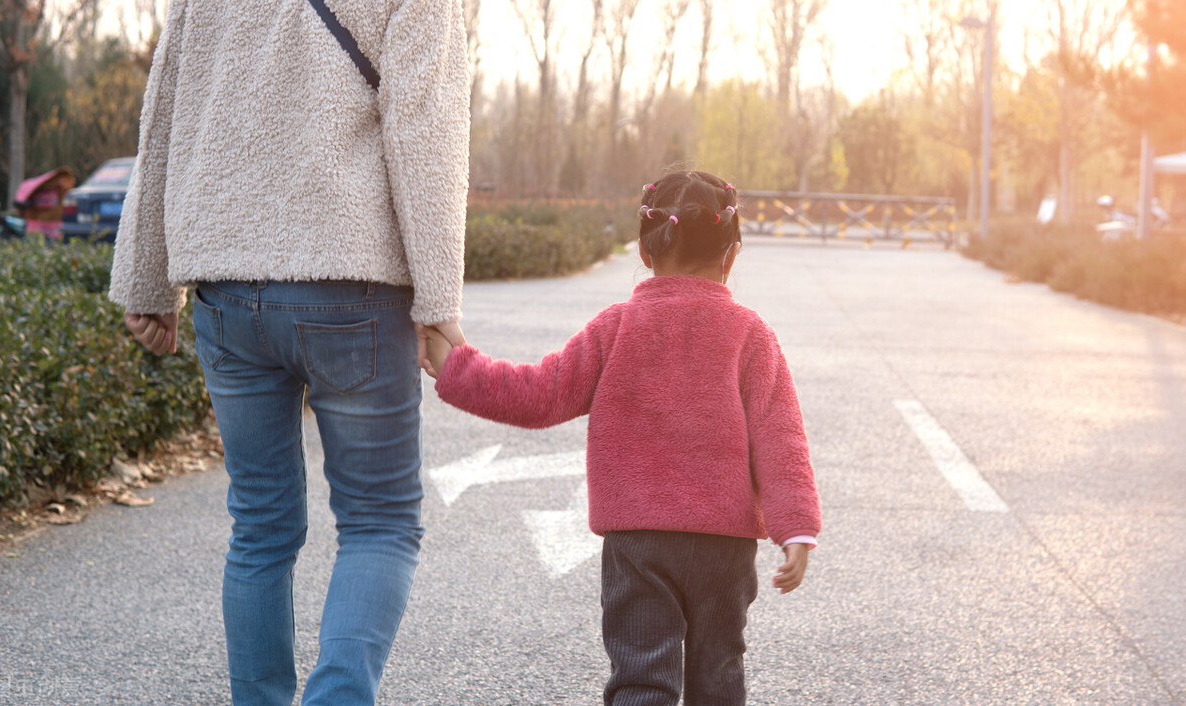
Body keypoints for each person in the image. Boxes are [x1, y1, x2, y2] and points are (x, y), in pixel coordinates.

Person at [109, 1, 469, 704]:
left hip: (226, 288)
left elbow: (166, 117)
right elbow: (426, 127)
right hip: (353, 285)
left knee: (261, 525)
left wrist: (145, 278)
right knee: (379, 521)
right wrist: (438, 302)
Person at [420, 170, 822, 706]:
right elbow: (781, 438)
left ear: (644, 248)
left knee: (641, 678)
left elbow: (540, 395)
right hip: (724, 547)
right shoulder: (750, 335)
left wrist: (457, 368)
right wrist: (796, 528)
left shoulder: (617, 327)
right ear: (732, 254)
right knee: (719, 672)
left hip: (638, 541)